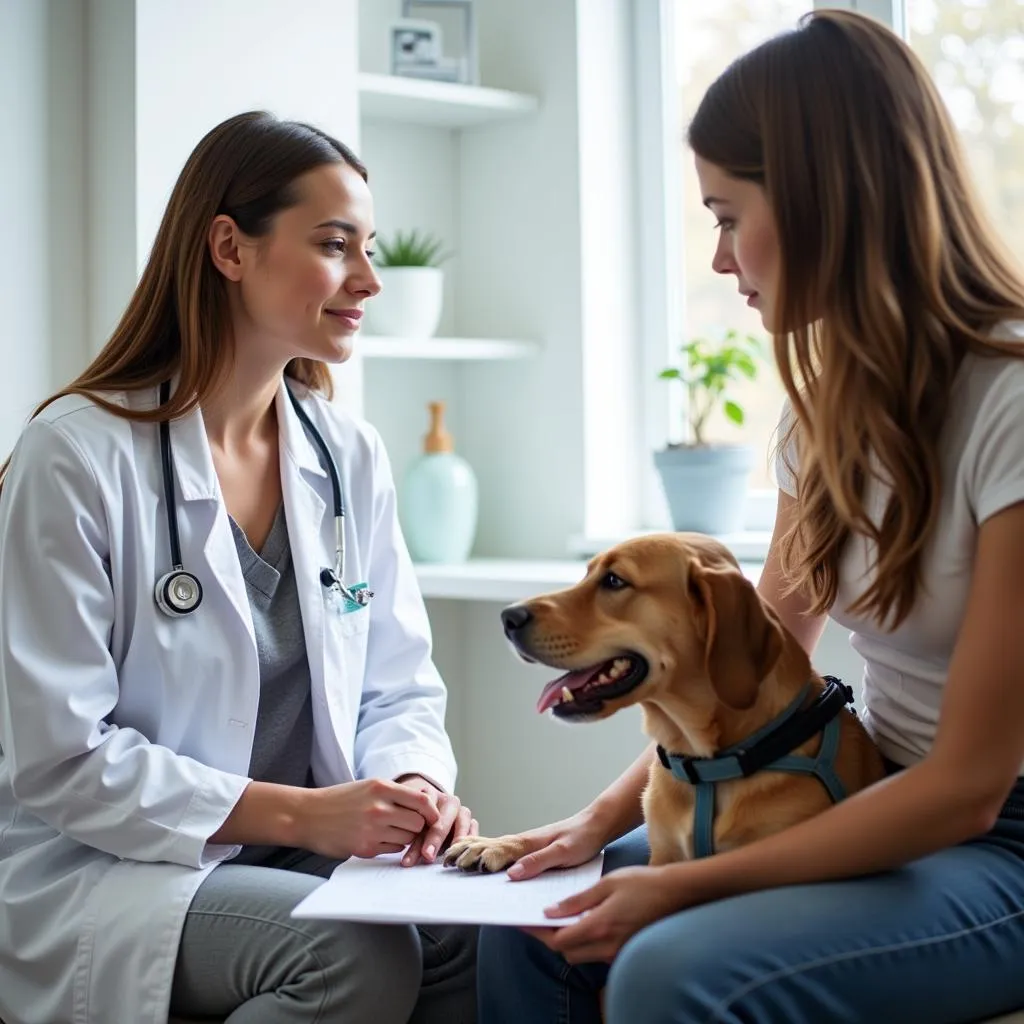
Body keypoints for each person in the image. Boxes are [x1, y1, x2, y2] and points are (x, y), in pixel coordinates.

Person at [475, 10, 1024, 1023]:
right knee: (534, 929)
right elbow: (747, 667)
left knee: (670, 965)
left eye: (727, 215)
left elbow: (967, 788)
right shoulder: (822, 418)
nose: (721, 258)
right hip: (860, 792)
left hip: (995, 843)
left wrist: (672, 887)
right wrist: (594, 823)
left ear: (825, 201)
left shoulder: (1009, 403)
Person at [0, 111, 478, 1024]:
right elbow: (60, 758)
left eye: (367, 248)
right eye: (336, 246)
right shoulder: (77, 455)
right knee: (346, 956)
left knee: (465, 930)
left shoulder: (347, 455)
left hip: (295, 852)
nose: (369, 281)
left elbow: (400, 687)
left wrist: (415, 789)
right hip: (113, 867)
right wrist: (302, 816)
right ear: (229, 247)